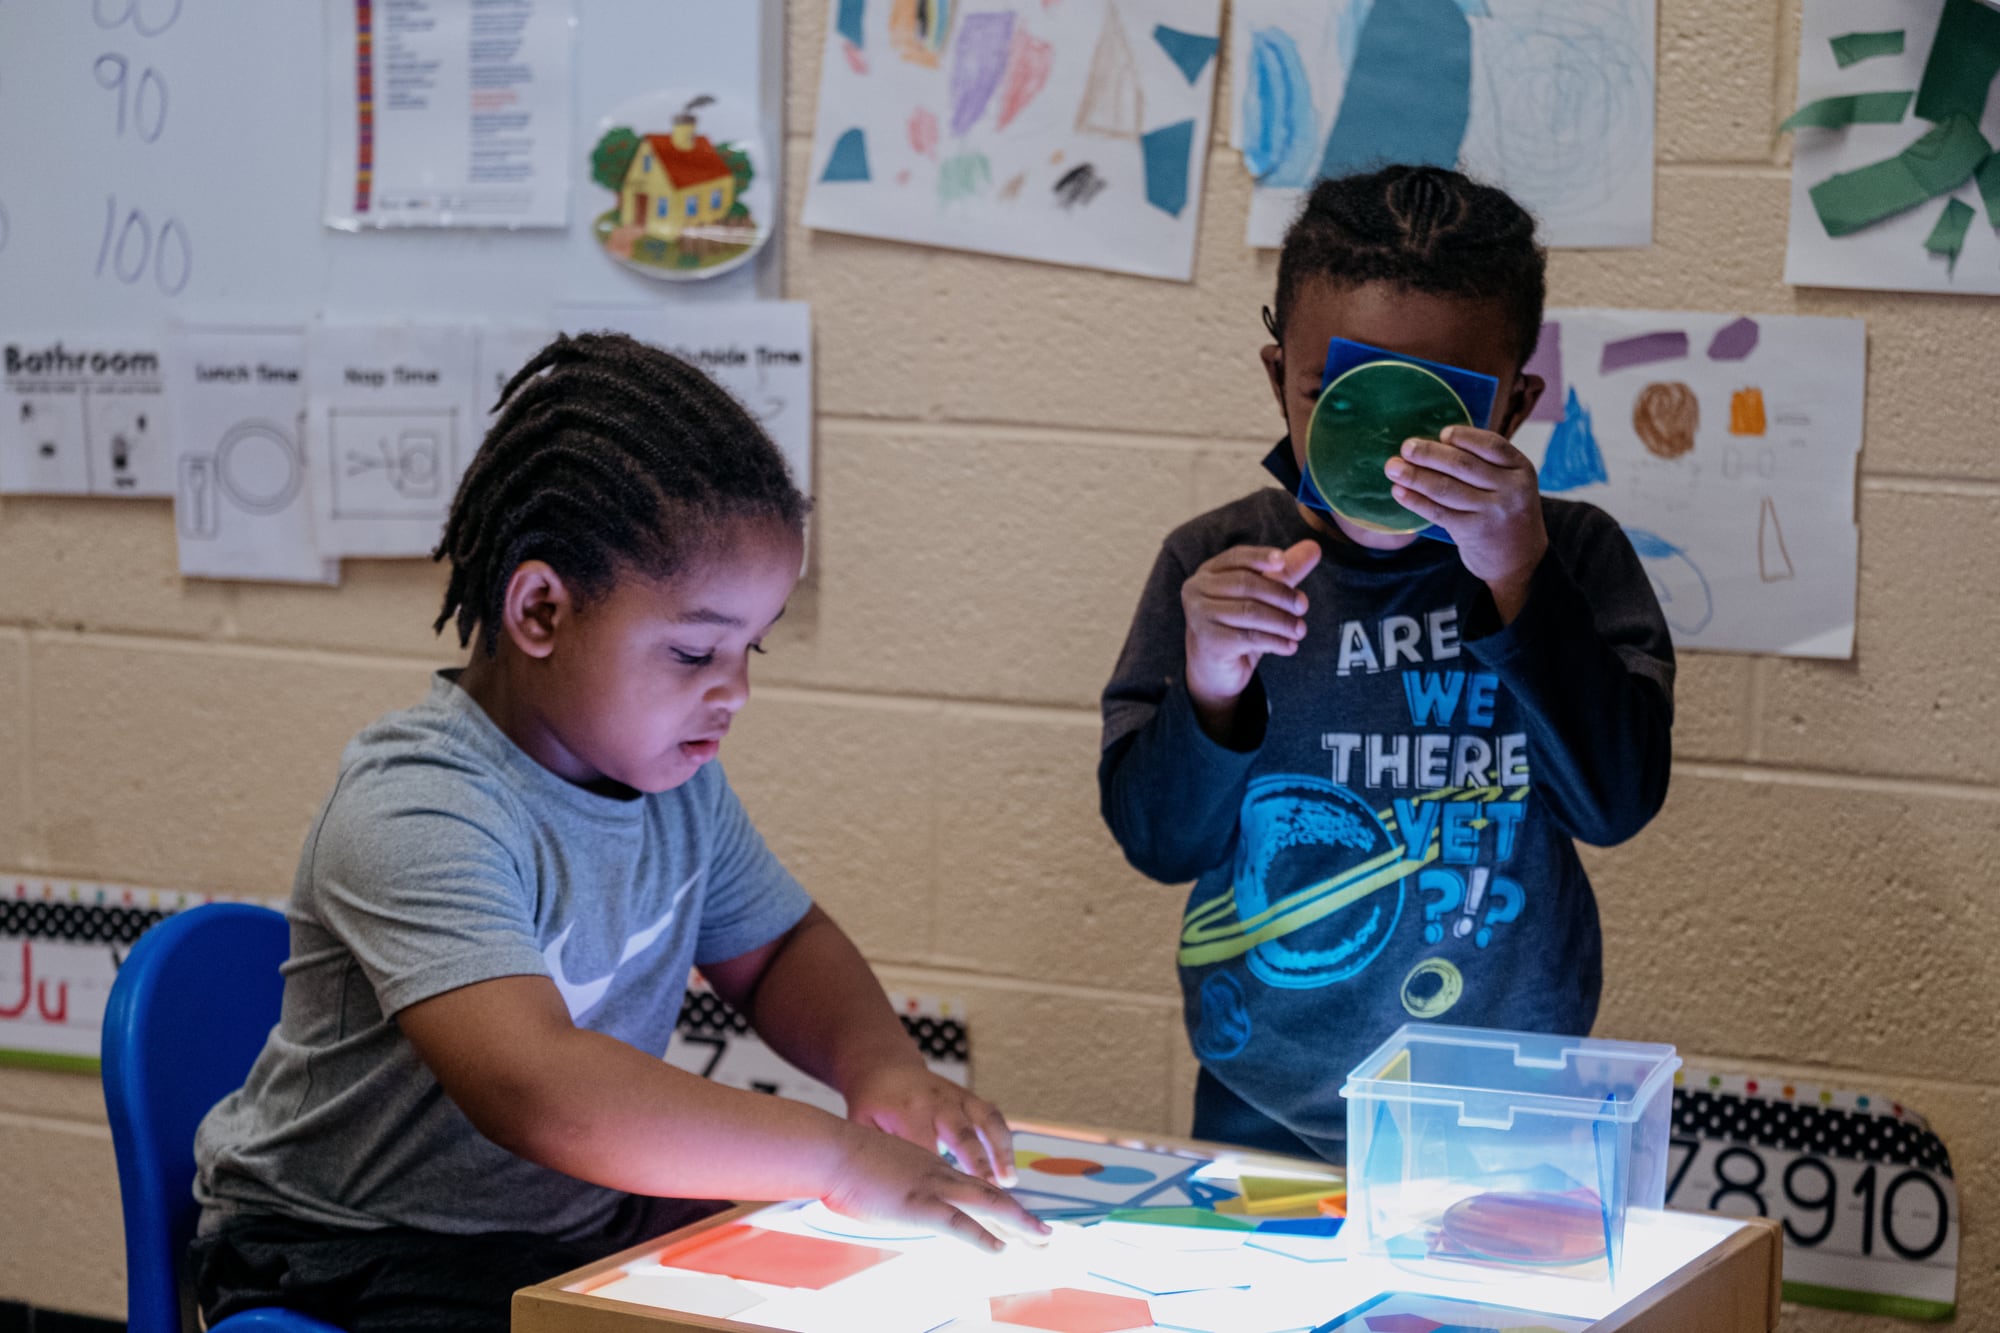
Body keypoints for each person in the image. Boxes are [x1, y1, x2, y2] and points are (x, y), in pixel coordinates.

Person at [192, 332, 1045, 1332]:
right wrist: (836, 1153)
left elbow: (778, 955)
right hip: (350, 1244)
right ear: (541, 608)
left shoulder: (678, 787)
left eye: (747, 648)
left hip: (565, 1217)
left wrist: (882, 1071)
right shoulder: (416, 806)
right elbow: (537, 1086)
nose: (732, 691)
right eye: (694, 649)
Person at [1099, 166, 1674, 1163]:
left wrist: (1517, 580)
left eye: (1431, 411)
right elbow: (1158, 842)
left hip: (1505, 1101)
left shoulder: (1570, 557)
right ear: (1278, 377)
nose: (1383, 449)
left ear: (1513, 403)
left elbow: (1614, 804)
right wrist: (1211, 686)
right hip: (1261, 1093)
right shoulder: (1215, 565)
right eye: (1335, 396)